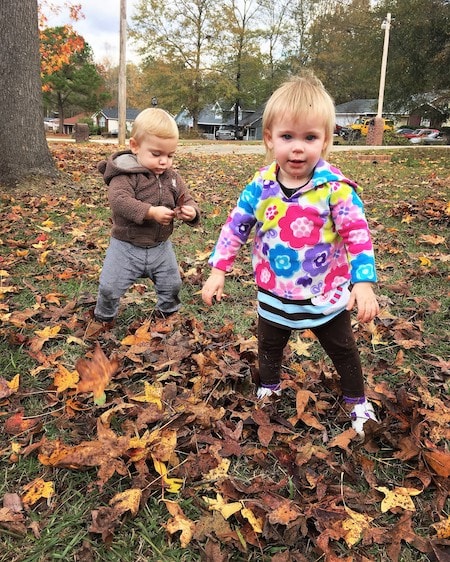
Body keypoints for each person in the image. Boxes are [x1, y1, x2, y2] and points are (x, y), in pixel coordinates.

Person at [201, 72, 379, 436]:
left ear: (325, 141)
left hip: (325, 291)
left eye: (309, 137)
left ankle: (357, 400)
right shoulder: (261, 186)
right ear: (269, 138)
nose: (298, 148)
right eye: (287, 137)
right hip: (274, 289)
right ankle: (269, 385)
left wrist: (363, 282)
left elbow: (357, 235)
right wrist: (218, 269)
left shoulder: (335, 190)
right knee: (269, 342)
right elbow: (236, 225)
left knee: (343, 348)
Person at [94, 107, 200, 323]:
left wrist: (191, 211)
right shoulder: (125, 175)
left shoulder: (172, 178)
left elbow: (185, 197)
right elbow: (119, 201)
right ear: (135, 146)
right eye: (156, 154)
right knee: (109, 287)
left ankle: (167, 314)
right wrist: (150, 212)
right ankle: (104, 317)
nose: (164, 161)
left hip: (160, 247)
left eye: (170, 155)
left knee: (172, 284)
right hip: (126, 246)